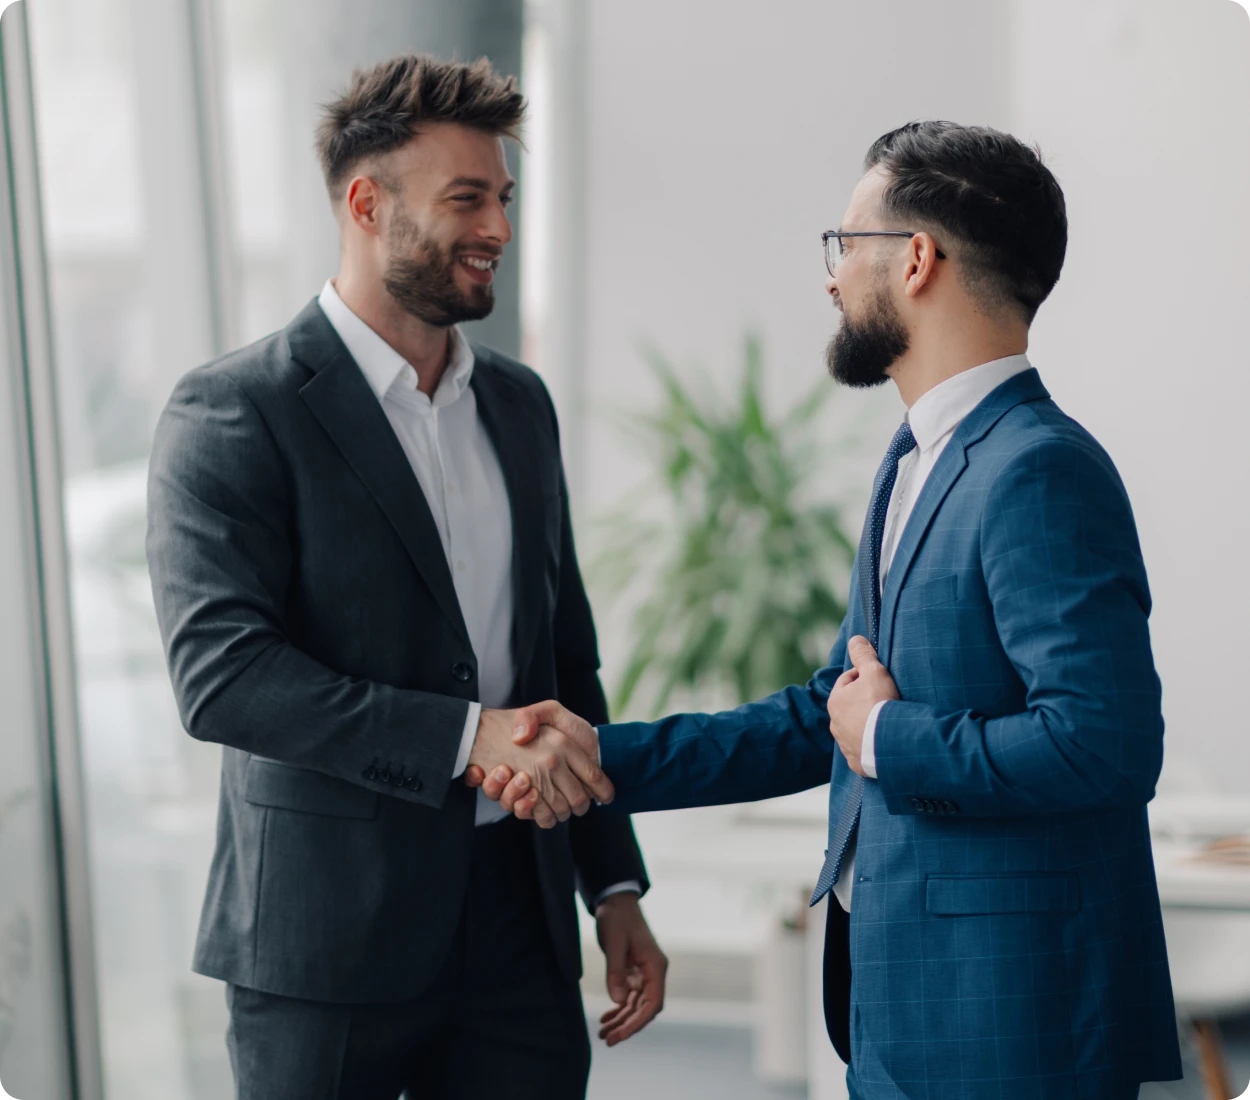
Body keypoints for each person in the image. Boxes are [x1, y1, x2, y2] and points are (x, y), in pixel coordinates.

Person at [486, 121, 1183, 1099]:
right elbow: (827, 711)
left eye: (842, 245)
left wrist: (891, 735)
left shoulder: (1039, 470)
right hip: (899, 1006)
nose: (829, 277)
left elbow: (1103, 743)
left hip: (1009, 1020)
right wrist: (599, 760)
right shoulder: (912, 457)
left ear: (914, 259)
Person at [146, 53, 665, 1100]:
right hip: (323, 943)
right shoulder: (233, 411)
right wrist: (458, 734)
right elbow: (223, 676)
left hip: (518, 929)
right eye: (466, 199)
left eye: (505, 199)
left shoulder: (518, 407)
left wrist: (610, 881)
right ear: (366, 203)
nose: (499, 232)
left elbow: (562, 656)